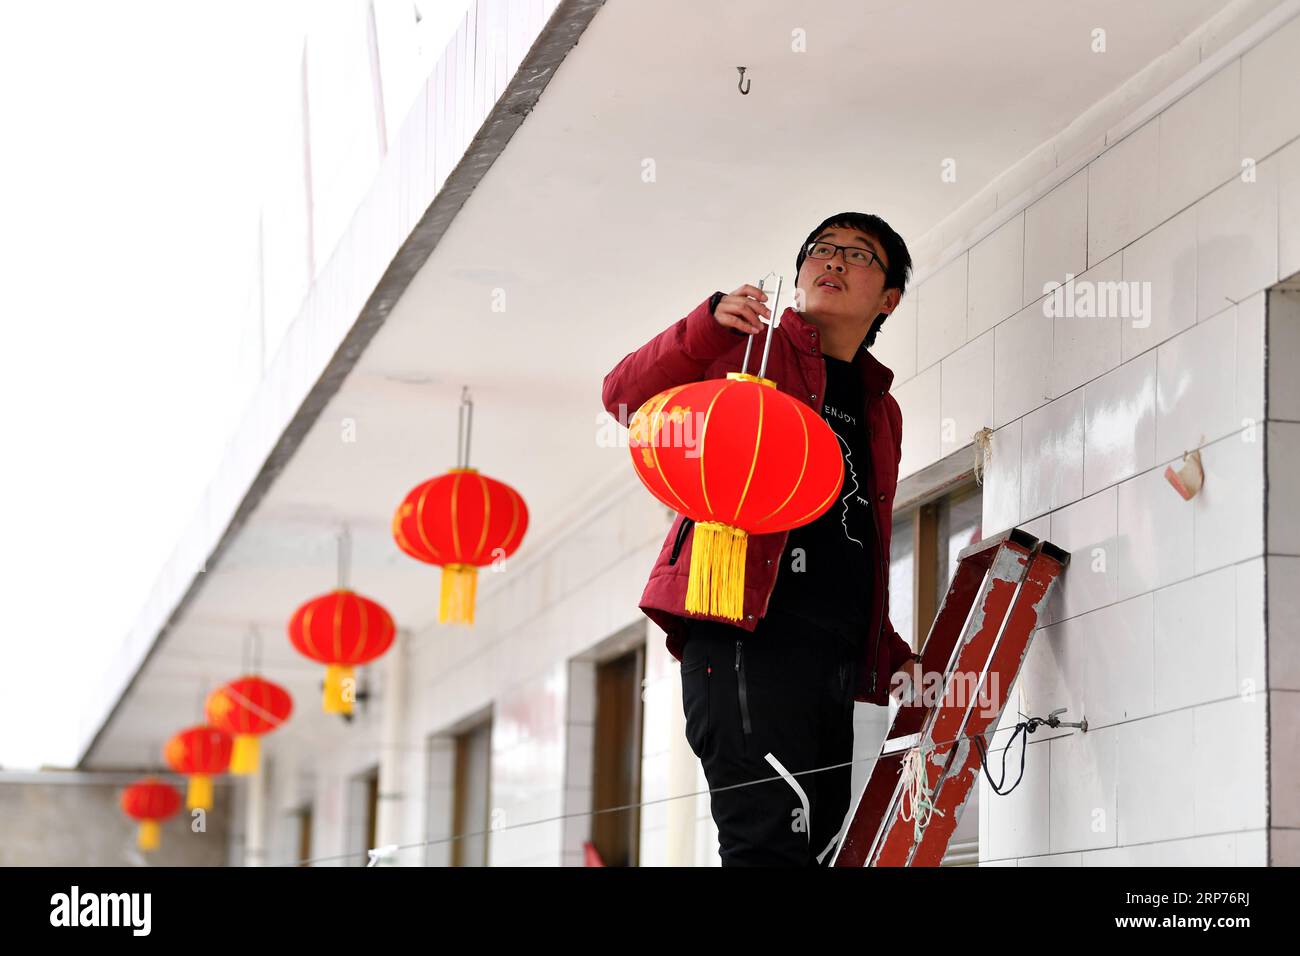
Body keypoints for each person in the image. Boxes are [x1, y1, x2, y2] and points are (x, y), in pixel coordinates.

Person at [601, 212, 922, 866]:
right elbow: (624, 397)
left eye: (857, 255)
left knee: (820, 846)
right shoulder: (745, 349)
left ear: (888, 298)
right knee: (767, 845)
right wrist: (704, 323)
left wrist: (890, 656)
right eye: (822, 249)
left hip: (831, 665)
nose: (832, 261)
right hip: (744, 634)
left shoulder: (879, 407)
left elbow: (858, 542)